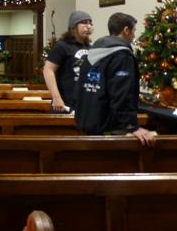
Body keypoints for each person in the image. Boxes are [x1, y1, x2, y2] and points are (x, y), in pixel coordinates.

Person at [74, 12, 155, 146]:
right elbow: (121, 93)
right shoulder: (121, 55)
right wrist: (130, 126)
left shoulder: (92, 51)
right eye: (133, 31)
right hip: (110, 128)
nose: (134, 35)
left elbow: (81, 87)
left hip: (87, 122)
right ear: (126, 30)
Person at [43, 10, 93, 112]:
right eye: (84, 22)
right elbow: (48, 70)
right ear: (73, 27)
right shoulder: (63, 46)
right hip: (65, 104)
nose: (88, 26)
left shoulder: (90, 48)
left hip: (84, 104)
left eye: (90, 23)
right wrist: (56, 98)